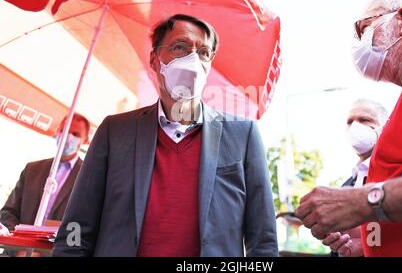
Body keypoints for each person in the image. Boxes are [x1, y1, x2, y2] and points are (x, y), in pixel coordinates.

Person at [52, 14, 278, 257]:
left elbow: (263, 240)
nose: (193, 59)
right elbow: (77, 225)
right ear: (155, 59)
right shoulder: (115, 132)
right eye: (180, 47)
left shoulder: (242, 135)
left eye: (203, 53)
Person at [295, 0, 402, 256]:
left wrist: (362, 202)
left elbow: (376, 200)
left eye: (364, 28)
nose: (358, 43)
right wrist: (367, 241)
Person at [0, 113, 90, 234]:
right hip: (16, 249)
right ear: (57, 131)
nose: (68, 136)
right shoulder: (32, 169)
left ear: (85, 140)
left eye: (75, 134)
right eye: (64, 130)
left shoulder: (87, 178)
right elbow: (8, 212)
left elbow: (81, 226)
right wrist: (18, 245)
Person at [325, 99, 387, 257]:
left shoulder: (398, 177)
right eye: (349, 122)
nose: (355, 127)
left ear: (385, 127)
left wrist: (369, 236)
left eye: (364, 120)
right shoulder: (345, 186)